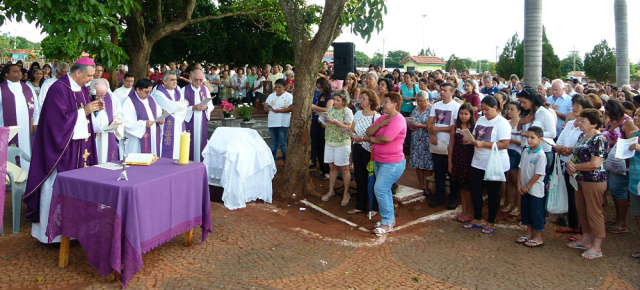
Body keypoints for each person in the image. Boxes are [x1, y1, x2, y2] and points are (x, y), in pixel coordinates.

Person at [24, 57, 101, 243]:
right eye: (89, 76)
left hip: (81, 148)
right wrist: (85, 112)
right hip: (61, 152)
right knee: (56, 186)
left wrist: (93, 110)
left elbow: (83, 117)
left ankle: (75, 232)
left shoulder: (82, 89)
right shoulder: (58, 89)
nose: (91, 79)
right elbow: (55, 122)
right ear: (78, 72)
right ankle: (53, 235)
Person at [463, 96, 511, 235]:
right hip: (478, 161)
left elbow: (504, 144)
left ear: (495, 108)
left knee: (493, 193)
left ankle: (491, 221)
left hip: (495, 163)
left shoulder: (502, 123)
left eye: (487, 109)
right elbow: (476, 137)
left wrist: (483, 144)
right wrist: (469, 140)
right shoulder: (482, 120)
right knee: (475, 191)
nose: (484, 112)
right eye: (482, 109)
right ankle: (478, 218)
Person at [360, 92, 406, 235]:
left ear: (395, 104)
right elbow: (368, 131)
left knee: (380, 189)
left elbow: (386, 138)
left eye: (386, 102)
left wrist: (373, 140)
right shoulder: (383, 118)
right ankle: (388, 219)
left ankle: (387, 222)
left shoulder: (398, 119)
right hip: (379, 160)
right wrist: (380, 124)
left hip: (392, 163)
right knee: (383, 190)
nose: (383, 105)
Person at [565, 109, 609, 259]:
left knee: (594, 212)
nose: (580, 124)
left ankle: (597, 246)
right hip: (580, 178)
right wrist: (570, 164)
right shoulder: (582, 136)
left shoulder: (599, 139)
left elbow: (596, 163)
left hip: (594, 180)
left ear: (594, 124)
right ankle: (585, 239)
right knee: (582, 209)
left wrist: (576, 167)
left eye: (583, 121)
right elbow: (576, 155)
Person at [555, 97, 593, 235]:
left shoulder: (588, 127)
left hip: (579, 166)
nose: (574, 108)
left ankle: (583, 229)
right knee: (570, 195)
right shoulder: (571, 124)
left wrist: (571, 150)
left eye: (578, 106)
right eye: (573, 105)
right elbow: (559, 141)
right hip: (566, 162)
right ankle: (572, 223)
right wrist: (560, 148)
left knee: (579, 198)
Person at [601, 99, 638, 233]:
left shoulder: (626, 122)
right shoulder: (612, 121)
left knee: (619, 192)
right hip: (611, 162)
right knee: (615, 191)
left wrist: (614, 143)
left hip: (622, 163)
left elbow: (634, 138)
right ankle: (618, 218)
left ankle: (622, 222)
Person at [517, 87, 557, 196]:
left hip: (542, 151)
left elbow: (552, 133)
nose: (522, 105)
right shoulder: (526, 114)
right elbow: (520, 131)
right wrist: (521, 123)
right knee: (527, 181)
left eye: (524, 102)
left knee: (539, 184)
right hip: (528, 151)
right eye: (520, 102)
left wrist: (535, 135)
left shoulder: (544, 113)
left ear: (532, 100)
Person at [427, 82, 461, 208]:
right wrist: (432, 135)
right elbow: (430, 124)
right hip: (437, 145)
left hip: (450, 144)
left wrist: (438, 129)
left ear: (452, 92)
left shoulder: (456, 107)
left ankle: (453, 197)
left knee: (452, 172)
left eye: (445, 90)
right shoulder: (435, 105)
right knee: (438, 171)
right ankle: (439, 195)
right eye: (441, 90)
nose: (442, 92)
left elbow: (455, 126)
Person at [320, 90, 354, 206]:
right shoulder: (331, 110)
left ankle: (346, 193)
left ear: (344, 101)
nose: (335, 102)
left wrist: (336, 122)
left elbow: (349, 128)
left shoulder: (347, 112)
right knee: (332, 167)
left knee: (344, 168)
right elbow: (325, 125)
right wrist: (323, 121)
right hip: (330, 141)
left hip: (342, 143)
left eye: (338, 100)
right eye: (335, 100)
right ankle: (331, 190)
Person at [348, 89, 380, 215]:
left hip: (369, 151)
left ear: (370, 101)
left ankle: (373, 207)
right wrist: (354, 136)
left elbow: (376, 137)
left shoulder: (376, 117)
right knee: (359, 177)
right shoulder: (358, 114)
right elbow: (352, 129)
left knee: (371, 178)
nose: (361, 100)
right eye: (361, 98)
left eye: (364, 98)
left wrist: (362, 138)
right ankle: (360, 205)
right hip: (357, 148)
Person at [515, 126, 547, 247]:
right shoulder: (525, 151)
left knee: (536, 212)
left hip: (535, 189)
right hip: (524, 188)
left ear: (540, 139)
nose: (529, 140)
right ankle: (529, 232)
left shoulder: (540, 155)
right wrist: (519, 184)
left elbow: (539, 173)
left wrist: (528, 186)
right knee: (526, 211)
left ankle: (538, 236)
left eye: (532, 137)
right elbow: (520, 168)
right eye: (528, 137)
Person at [0, 63, 37, 170]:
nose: (19, 72)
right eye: (15, 71)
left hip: (27, 130)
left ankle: (27, 177)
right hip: (8, 131)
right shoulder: (2, 90)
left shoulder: (28, 88)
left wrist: (35, 123)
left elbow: (36, 108)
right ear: (6, 74)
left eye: (19, 70)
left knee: (27, 154)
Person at [151, 71, 188, 159]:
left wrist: (178, 107)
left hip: (179, 123)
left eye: (175, 80)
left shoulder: (178, 90)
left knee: (179, 148)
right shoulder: (158, 93)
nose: (175, 82)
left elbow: (179, 108)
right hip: (166, 124)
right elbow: (172, 107)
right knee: (167, 147)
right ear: (164, 81)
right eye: (172, 80)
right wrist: (183, 104)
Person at [122, 79, 164, 155]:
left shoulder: (151, 98)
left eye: (150, 92)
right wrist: (144, 124)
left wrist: (160, 119)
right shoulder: (128, 102)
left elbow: (158, 112)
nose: (149, 94)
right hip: (137, 140)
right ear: (138, 89)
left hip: (153, 137)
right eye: (146, 92)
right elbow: (124, 123)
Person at [449, 103, 476, 222]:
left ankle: (470, 212)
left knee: (468, 187)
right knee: (461, 186)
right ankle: (464, 210)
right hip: (457, 159)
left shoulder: (474, 128)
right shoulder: (455, 127)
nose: (463, 116)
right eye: (461, 113)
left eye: (466, 114)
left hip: (469, 160)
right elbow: (451, 145)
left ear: (471, 115)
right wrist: (450, 162)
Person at [182, 69, 214, 162]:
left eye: (201, 80)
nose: (199, 82)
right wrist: (192, 108)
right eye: (196, 79)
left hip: (202, 122)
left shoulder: (205, 90)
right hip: (190, 123)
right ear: (191, 78)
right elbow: (179, 108)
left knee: (201, 143)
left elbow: (211, 105)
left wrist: (207, 107)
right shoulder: (183, 90)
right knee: (190, 146)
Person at [90, 78, 124, 163]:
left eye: (103, 95)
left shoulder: (112, 97)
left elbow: (118, 114)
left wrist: (116, 122)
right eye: (98, 95)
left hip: (108, 134)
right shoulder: (87, 98)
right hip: (94, 136)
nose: (101, 98)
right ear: (92, 91)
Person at [408, 91, 433, 196]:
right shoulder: (415, 110)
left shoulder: (432, 110)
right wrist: (411, 125)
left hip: (426, 139)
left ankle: (427, 186)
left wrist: (420, 125)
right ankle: (421, 184)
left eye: (421, 101)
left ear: (427, 100)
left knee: (427, 164)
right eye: (418, 101)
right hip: (416, 139)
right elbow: (410, 123)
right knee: (418, 162)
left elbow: (432, 125)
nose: (419, 103)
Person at [264, 78, 293, 162]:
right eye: (276, 87)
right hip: (272, 122)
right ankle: (272, 160)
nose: (277, 89)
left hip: (283, 123)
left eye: (279, 87)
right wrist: (266, 107)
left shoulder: (288, 96)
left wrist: (279, 110)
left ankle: (286, 161)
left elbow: (290, 108)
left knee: (283, 143)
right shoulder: (271, 96)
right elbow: (266, 105)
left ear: (284, 87)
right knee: (273, 143)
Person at [311, 77, 333, 179]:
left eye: (320, 87)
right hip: (317, 121)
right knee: (317, 146)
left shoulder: (330, 96)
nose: (318, 89)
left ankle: (327, 171)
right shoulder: (321, 95)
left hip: (325, 123)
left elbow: (328, 109)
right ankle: (321, 168)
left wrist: (315, 108)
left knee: (324, 146)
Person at [502, 101, 522, 216]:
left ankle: (518, 206)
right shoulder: (506, 123)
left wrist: (512, 141)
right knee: (508, 179)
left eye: (512, 109)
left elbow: (525, 142)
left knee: (515, 180)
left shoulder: (522, 124)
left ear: (518, 112)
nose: (509, 111)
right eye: (508, 109)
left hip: (516, 153)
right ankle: (510, 203)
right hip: (507, 151)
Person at [628, 108, 640, 258]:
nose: (636, 118)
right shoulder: (634, 135)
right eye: (636, 115)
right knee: (637, 215)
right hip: (634, 180)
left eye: (639, 116)